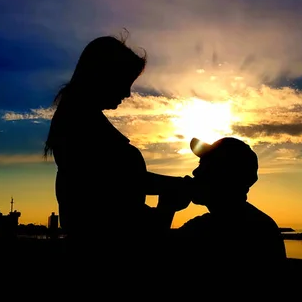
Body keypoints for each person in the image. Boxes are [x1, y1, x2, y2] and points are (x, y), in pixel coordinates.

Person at [43, 32, 192, 266]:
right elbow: (123, 186)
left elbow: (126, 182)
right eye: (125, 82)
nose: (128, 93)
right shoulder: (83, 129)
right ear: (104, 76)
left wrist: (173, 188)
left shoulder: (77, 125)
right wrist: (172, 193)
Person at [159, 137, 287, 267]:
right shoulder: (262, 225)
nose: (195, 172)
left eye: (205, 166)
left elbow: (156, 256)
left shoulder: (206, 230)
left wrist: (166, 209)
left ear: (225, 176)